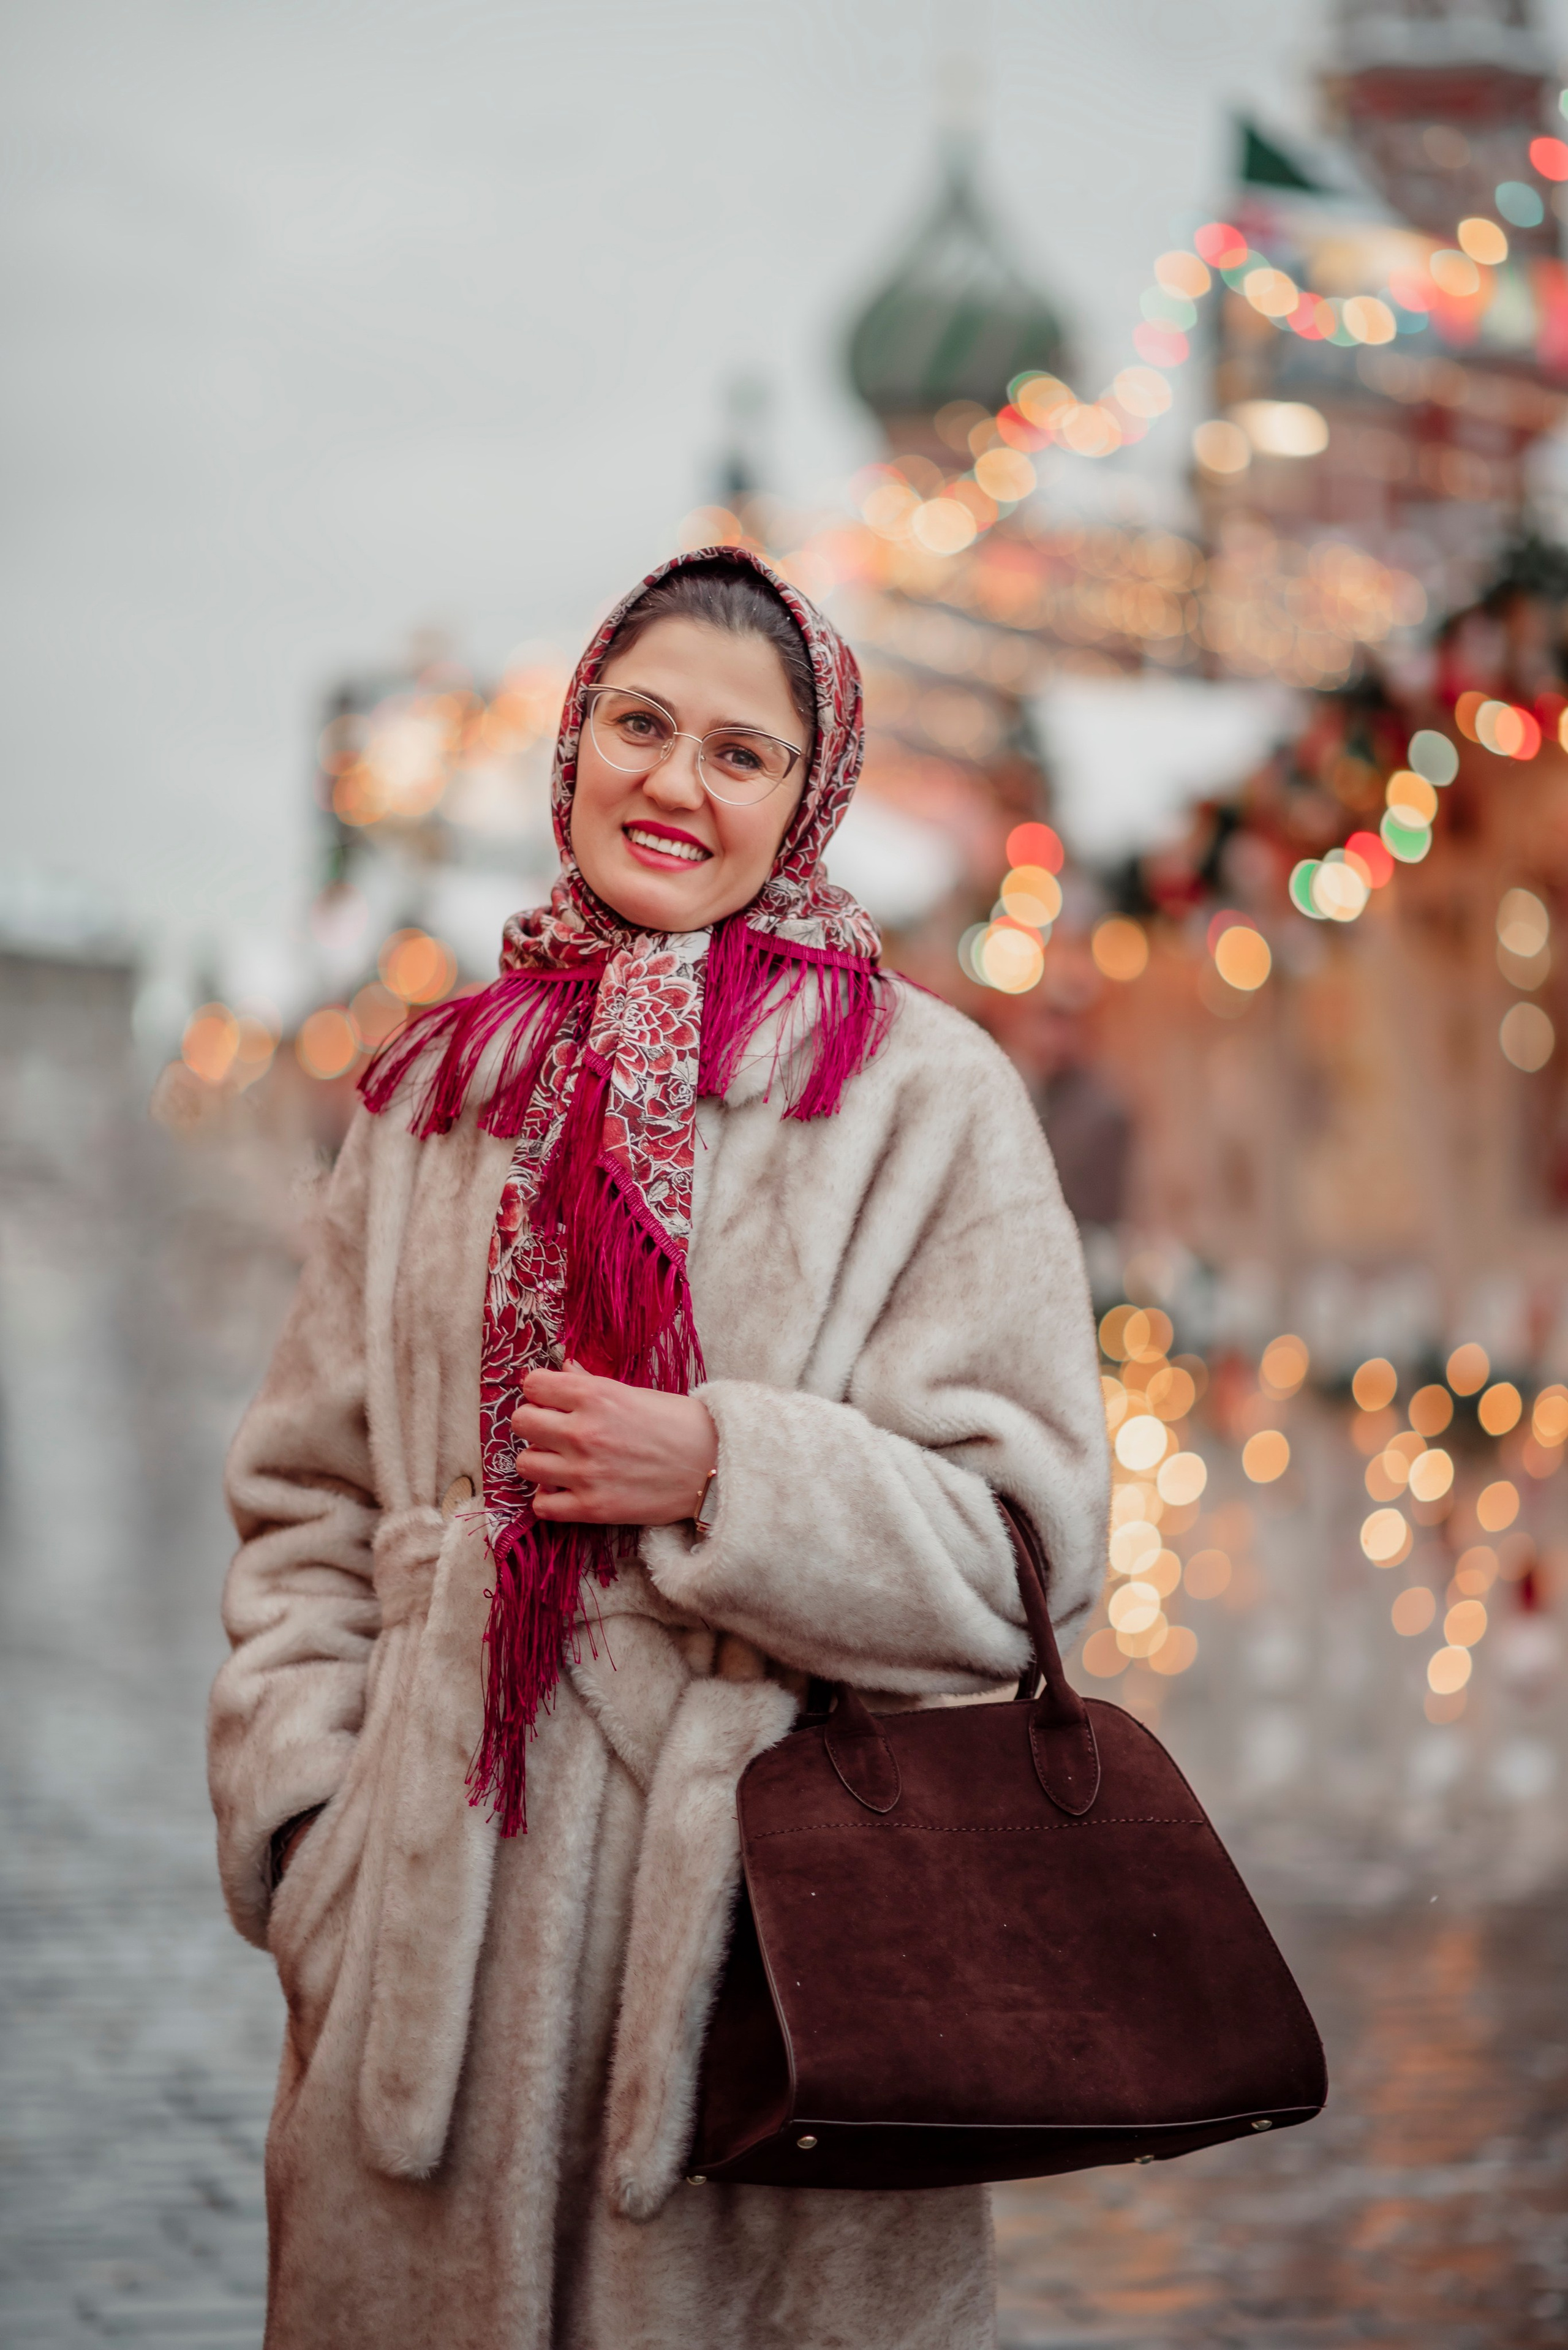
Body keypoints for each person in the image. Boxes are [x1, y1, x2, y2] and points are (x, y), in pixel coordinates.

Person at [208, 547, 1109, 2350]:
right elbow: (303, 1511)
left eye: (741, 752)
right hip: (422, 1996)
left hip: (766, 1988)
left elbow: (1028, 1551)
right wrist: (316, 1839)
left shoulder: (927, 1102)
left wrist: (724, 1473)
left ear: (811, 791)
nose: (675, 785)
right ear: (573, 744)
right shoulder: (430, 1096)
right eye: (641, 723)